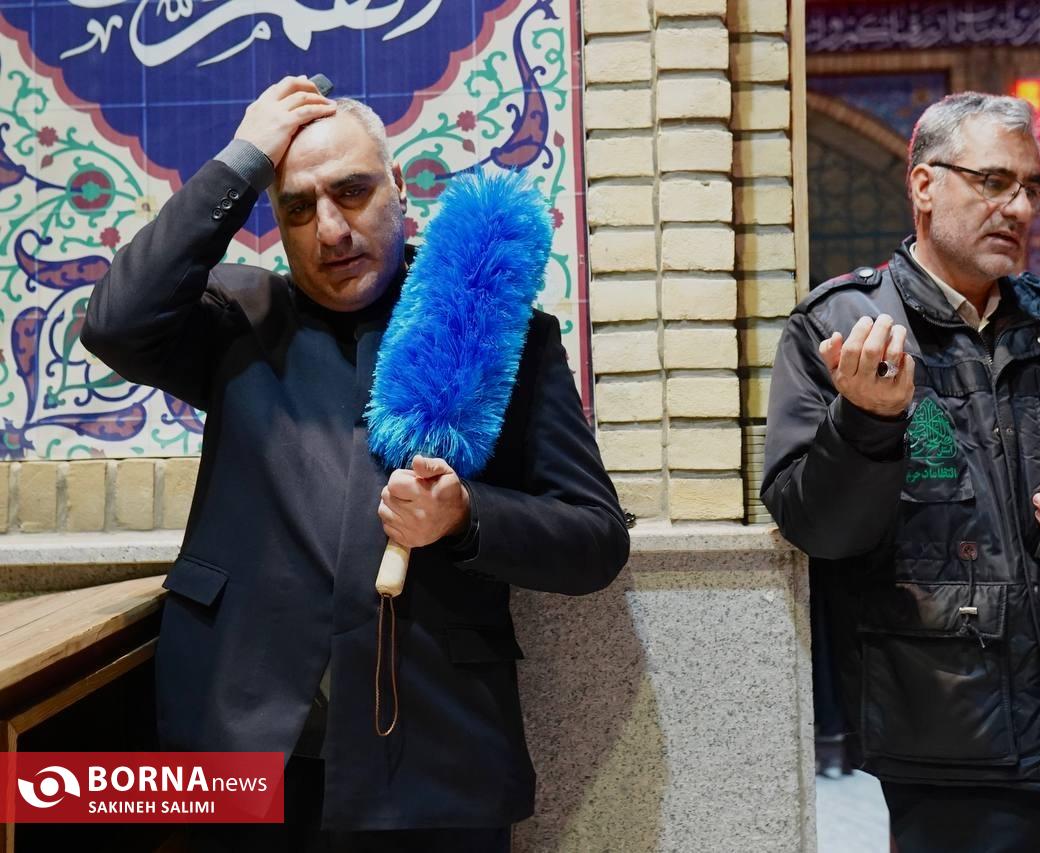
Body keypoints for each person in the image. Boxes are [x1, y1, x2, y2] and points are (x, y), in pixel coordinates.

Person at [82, 76, 630, 852]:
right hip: (237, 743)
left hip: (433, 759)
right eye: (298, 208)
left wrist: (466, 516)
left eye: (353, 190)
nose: (332, 230)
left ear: (398, 184)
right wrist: (243, 160)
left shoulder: (500, 336)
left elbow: (596, 537)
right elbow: (114, 323)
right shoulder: (238, 321)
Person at [762, 91, 1040, 852]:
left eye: (1033, 189)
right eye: (994, 182)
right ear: (925, 185)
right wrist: (867, 420)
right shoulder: (841, 329)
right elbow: (817, 528)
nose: (1018, 208)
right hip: (952, 742)